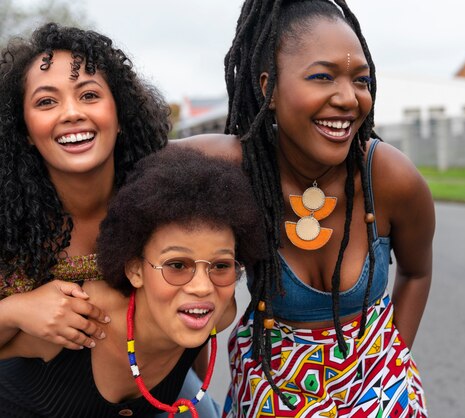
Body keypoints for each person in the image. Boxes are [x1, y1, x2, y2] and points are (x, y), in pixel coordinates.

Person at [180, 0, 435, 416]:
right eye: (322, 77)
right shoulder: (232, 168)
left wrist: (392, 366)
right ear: (269, 89)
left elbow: (418, 272)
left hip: (378, 391)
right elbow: (119, 162)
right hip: (269, 391)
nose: (348, 98)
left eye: (361, 80)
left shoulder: (388, 177)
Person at [0, 23, 218, 416]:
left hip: (153, 391)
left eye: (89, 95)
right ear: (26, 130)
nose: (71, 113)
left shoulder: (164, 198)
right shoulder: (8, 219)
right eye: (47, 102)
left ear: (120, 115)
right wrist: (17, 310)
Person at [0, 146, 264, 417]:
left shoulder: (219, 313)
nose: (202, 287)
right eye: (176, 265)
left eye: (220, 266)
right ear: (135, 270)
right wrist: (12, 312)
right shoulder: (79, 319)